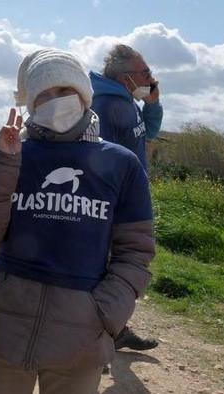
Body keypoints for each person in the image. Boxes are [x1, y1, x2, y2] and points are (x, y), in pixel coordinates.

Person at [0, 49, 155, 394]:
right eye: (44, 95)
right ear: (31, 104)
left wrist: (105, 315)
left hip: (80, 341)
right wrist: (1, 166)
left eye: (65, 91)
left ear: (84, 94)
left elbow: (136, 251)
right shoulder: (15, 155)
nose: (56, 101)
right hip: (4, 330)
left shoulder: (121, 164)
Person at [90, 43, 162, 351]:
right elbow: (97, 160)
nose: (150, 77)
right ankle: (100, 331)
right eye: (144, 72)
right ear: (125, 76)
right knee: (107, 265)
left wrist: (153, 105)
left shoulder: (126, 101)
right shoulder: (105, 106)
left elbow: (148, 134)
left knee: (116, 265)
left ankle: (114, 326)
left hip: (128, 198)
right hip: (114, 203)